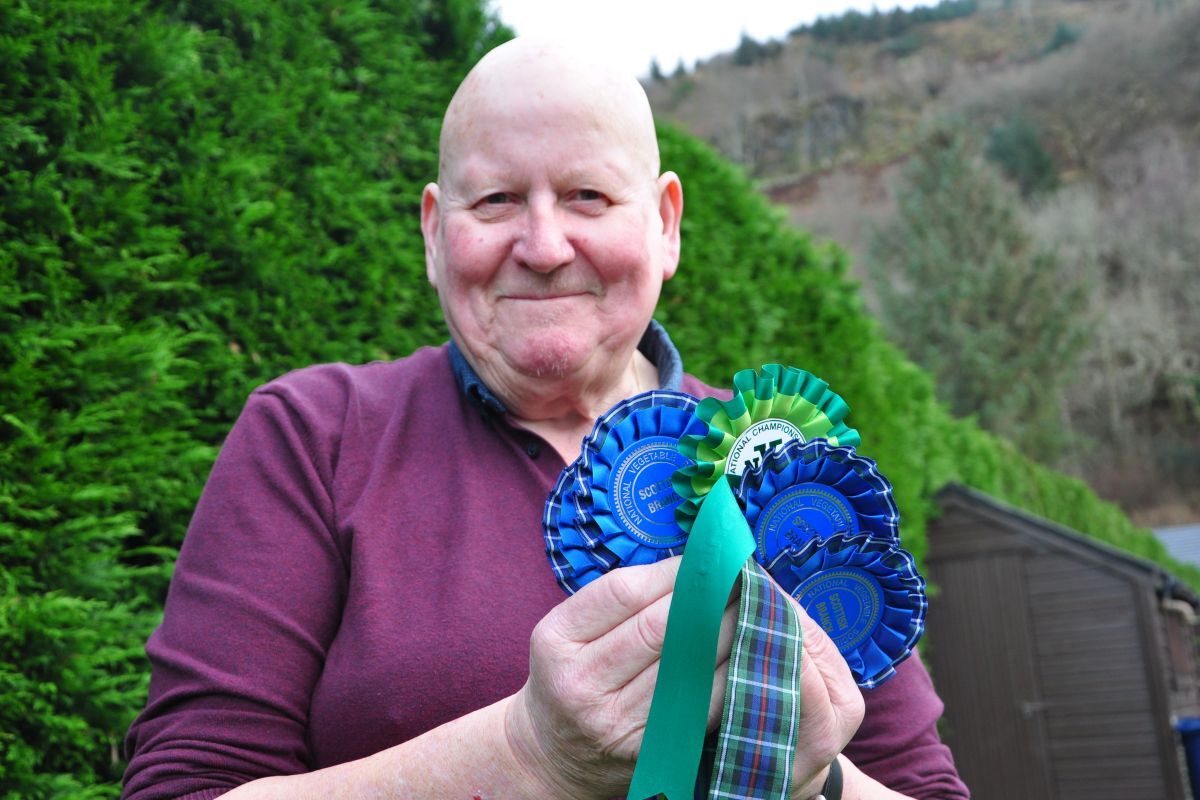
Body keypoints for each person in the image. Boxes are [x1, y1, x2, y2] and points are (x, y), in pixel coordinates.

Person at [122, 38, 969, 800]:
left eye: (588, 196)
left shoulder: (780, 467)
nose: (544, 244)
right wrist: (526, 754)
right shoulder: (314, 436)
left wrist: (821, 785)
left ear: (666, 224)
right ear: (432, 232)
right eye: (494, 200)